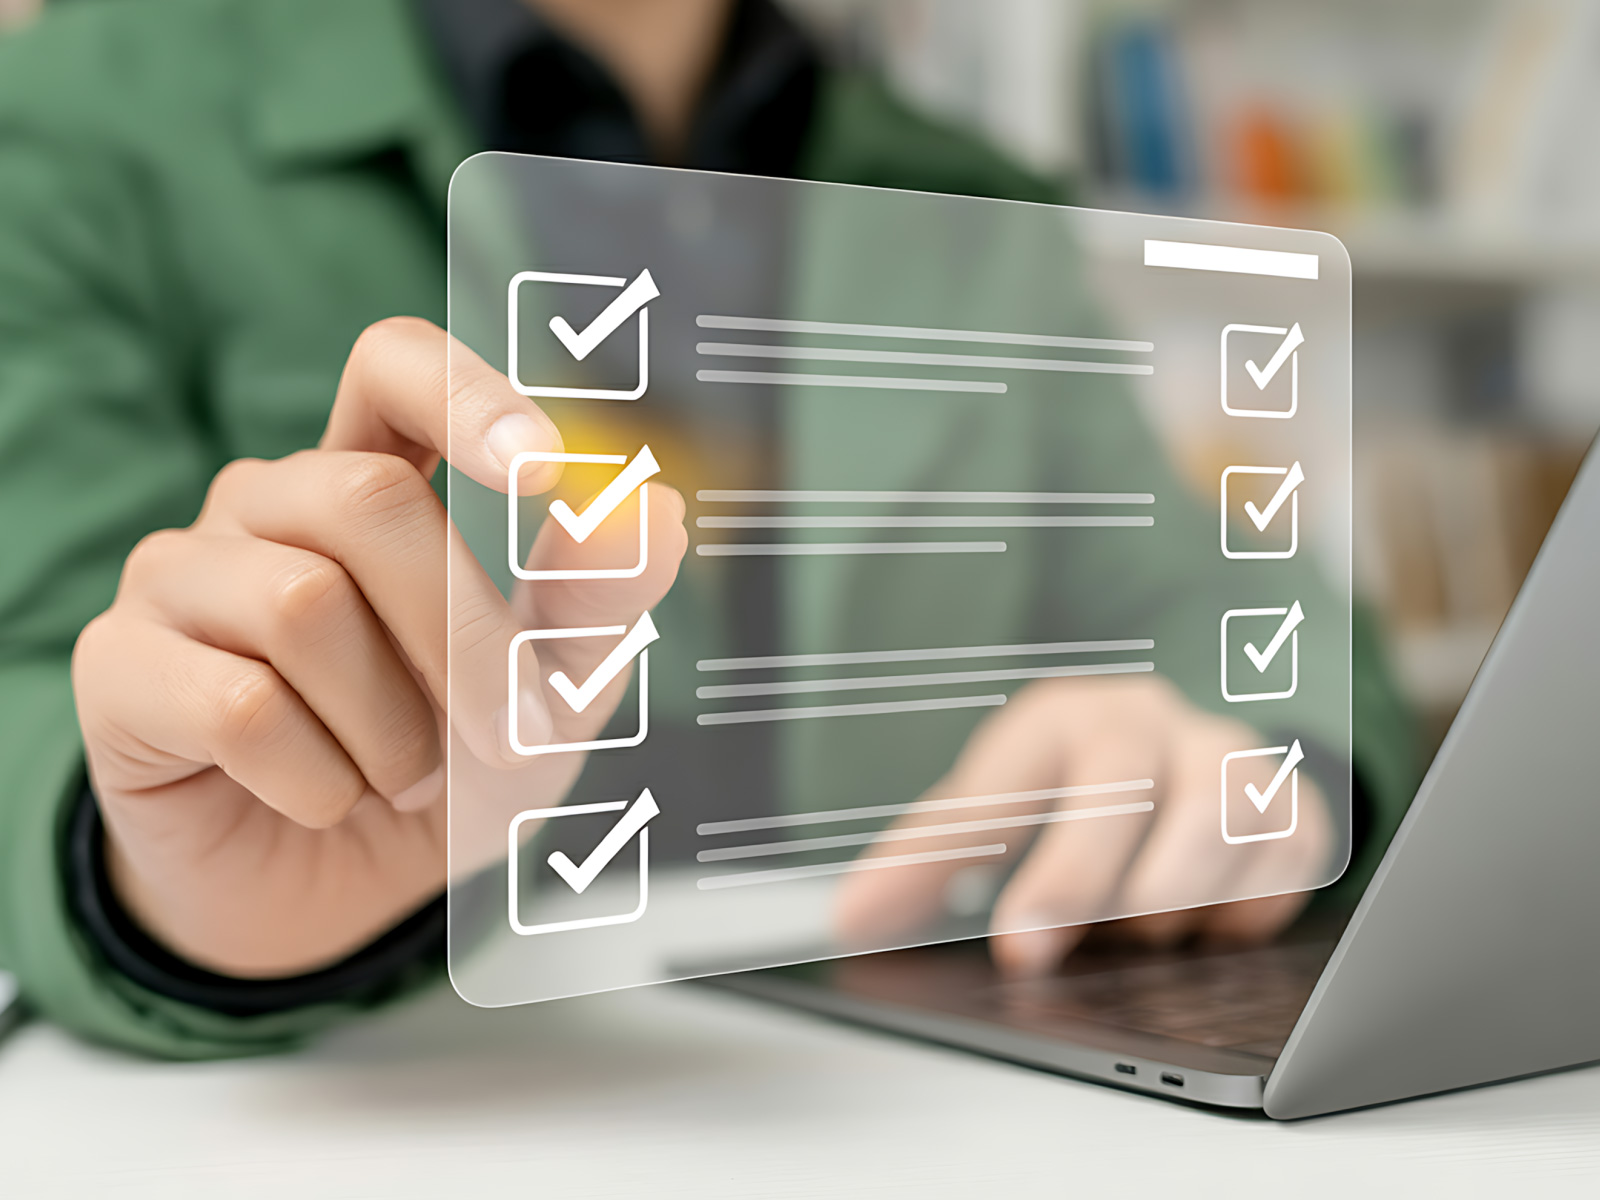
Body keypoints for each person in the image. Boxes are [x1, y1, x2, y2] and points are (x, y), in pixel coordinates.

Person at [0, 0, 1420, 1057]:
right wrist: (161, 888)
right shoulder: (83, 113)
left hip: (915, 1102)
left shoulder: (967, 192)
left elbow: (1214, 588)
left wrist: (1253, 768)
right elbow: (34, 665)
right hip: (384, 1102)